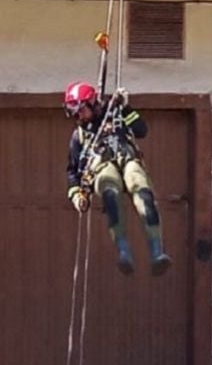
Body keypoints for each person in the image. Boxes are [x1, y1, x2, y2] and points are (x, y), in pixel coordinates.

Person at [63, 81, 172, 276]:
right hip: (102, 167)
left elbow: (141, 130)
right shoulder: (78, 136)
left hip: (127, 159)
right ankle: (123, 251)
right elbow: (72, 172)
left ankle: (157, 250)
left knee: (141, 189)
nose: (77, 117)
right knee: (110, 192)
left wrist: (125, 107)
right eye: (74, 112)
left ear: (91, 104)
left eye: (80, 111)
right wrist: (76, 196)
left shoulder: (115, 111)